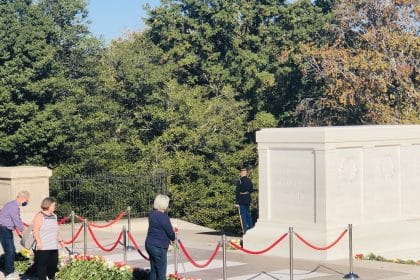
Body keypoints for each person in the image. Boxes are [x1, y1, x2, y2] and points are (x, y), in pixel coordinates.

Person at [0, 190, 30, 279]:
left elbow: (18, 219)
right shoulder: (14, 207)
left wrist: (22, 234)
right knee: (10, 251)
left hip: (4, 228)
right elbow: (17, 222)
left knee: (10, 250)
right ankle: (9, 273)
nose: (27, 202)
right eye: (27, 200)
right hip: (4, 229)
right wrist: (26, 235)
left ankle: (8, 269)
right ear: (23, 198)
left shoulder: (12, 204)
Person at [145, 194, 176, 280]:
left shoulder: (152, 214)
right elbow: (169, 232)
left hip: (150, 244)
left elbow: (159, 228)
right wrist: (173, 238)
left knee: (154, 270)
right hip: (159, 246)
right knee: (161, 272)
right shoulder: (163, 216)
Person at [32, 197, 63, 280]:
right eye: (53, 205)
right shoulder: (39, 215)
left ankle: (51, 277)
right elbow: (35, 230)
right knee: (42, 266)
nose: (55, 207)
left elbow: (56, 229)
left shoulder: (54, 216)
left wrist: (60, 240)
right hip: (43, 246)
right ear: (48, 205)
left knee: (53, 265)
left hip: (53, 245)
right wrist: (38, 242)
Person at [235, 168, 253, 234]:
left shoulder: (239, 181)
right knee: (248, 214)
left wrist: (237, 202)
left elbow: (237, 192)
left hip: (241, 199)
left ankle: (245, 229)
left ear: (241, 173)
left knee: (243, 215)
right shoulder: (249, 180)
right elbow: (251, 190)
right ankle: (251, 228)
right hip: (247, 199)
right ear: (246, 173)